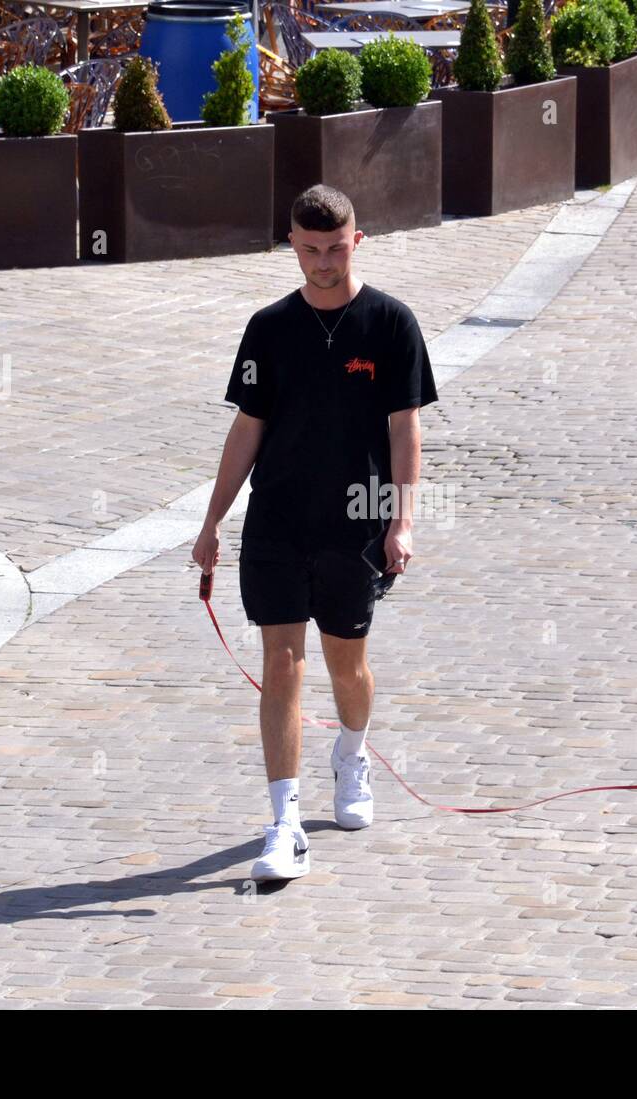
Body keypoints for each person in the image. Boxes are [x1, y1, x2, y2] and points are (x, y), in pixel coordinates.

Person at [191, 185, 439, 883]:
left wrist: (403, 518)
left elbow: (404, 426)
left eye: (335, 248)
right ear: (291, 246)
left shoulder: (391, 323)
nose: (323, 263)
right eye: (309, 250)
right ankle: (284, 823)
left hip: (355, 522)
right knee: (281, 663)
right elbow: (247, 428)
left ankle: (352, 753)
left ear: (357, 240)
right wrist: (212, 522)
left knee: (347, 666)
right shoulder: (269, 328)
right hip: (276, 519)